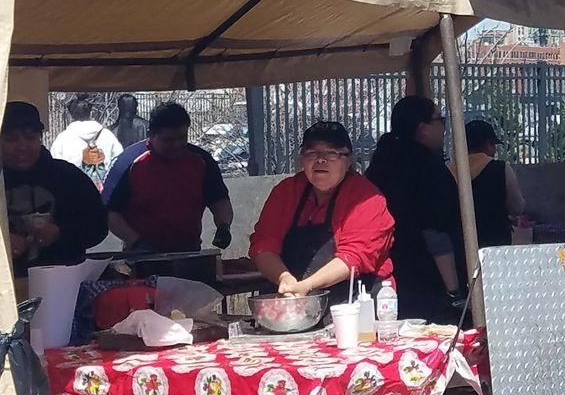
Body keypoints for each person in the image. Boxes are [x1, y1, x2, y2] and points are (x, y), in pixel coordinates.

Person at [250, 121, 394, 306]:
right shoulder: (286, 192)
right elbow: (263, 245)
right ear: (302, 159)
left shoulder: (367, 198)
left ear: (348, 160)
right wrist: (285, 279)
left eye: (332, 153)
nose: (320, 160)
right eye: (312, 153)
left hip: (357, 306)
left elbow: (354, 256)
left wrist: (306, 286)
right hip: (294, 306)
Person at [366, 96, 465, 320]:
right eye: (440, 120)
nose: (443, 127)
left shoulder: (380, 163)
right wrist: (453, 290)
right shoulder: (428, 169)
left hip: (384, 278)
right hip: (426, 279)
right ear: (423, 128)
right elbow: (436, 231)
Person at [105, 103, 234, 253]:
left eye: (182, 137)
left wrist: (224, 226)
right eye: (169, 140)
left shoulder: (201, 161)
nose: (177, 145)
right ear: (151, 135)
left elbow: (219, 199)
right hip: (141, 255)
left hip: (189, 251)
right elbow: (110, 214)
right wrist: (137, 242)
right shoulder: (129, 164)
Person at [3, 102, 108, 270]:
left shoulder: (69, 176)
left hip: (63, 280)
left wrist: (61, 233)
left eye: (30, 137)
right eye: (11, 139)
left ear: (40, 138)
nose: (22, 146)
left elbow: (98, 227)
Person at [462, 119, 524, 250]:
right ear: (487, 145)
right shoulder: (500, 169)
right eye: (493, 145)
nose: (494, 150)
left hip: (460, 245)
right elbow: (517, 207)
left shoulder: (452, 171)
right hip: (495, 243)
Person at [49, 97, 122, 192]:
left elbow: (54, 167)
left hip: (73, 191)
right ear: (90, 112)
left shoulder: (63, 138)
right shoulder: (107, 135)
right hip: (103, 191)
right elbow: (119, 161)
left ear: (71, 115)